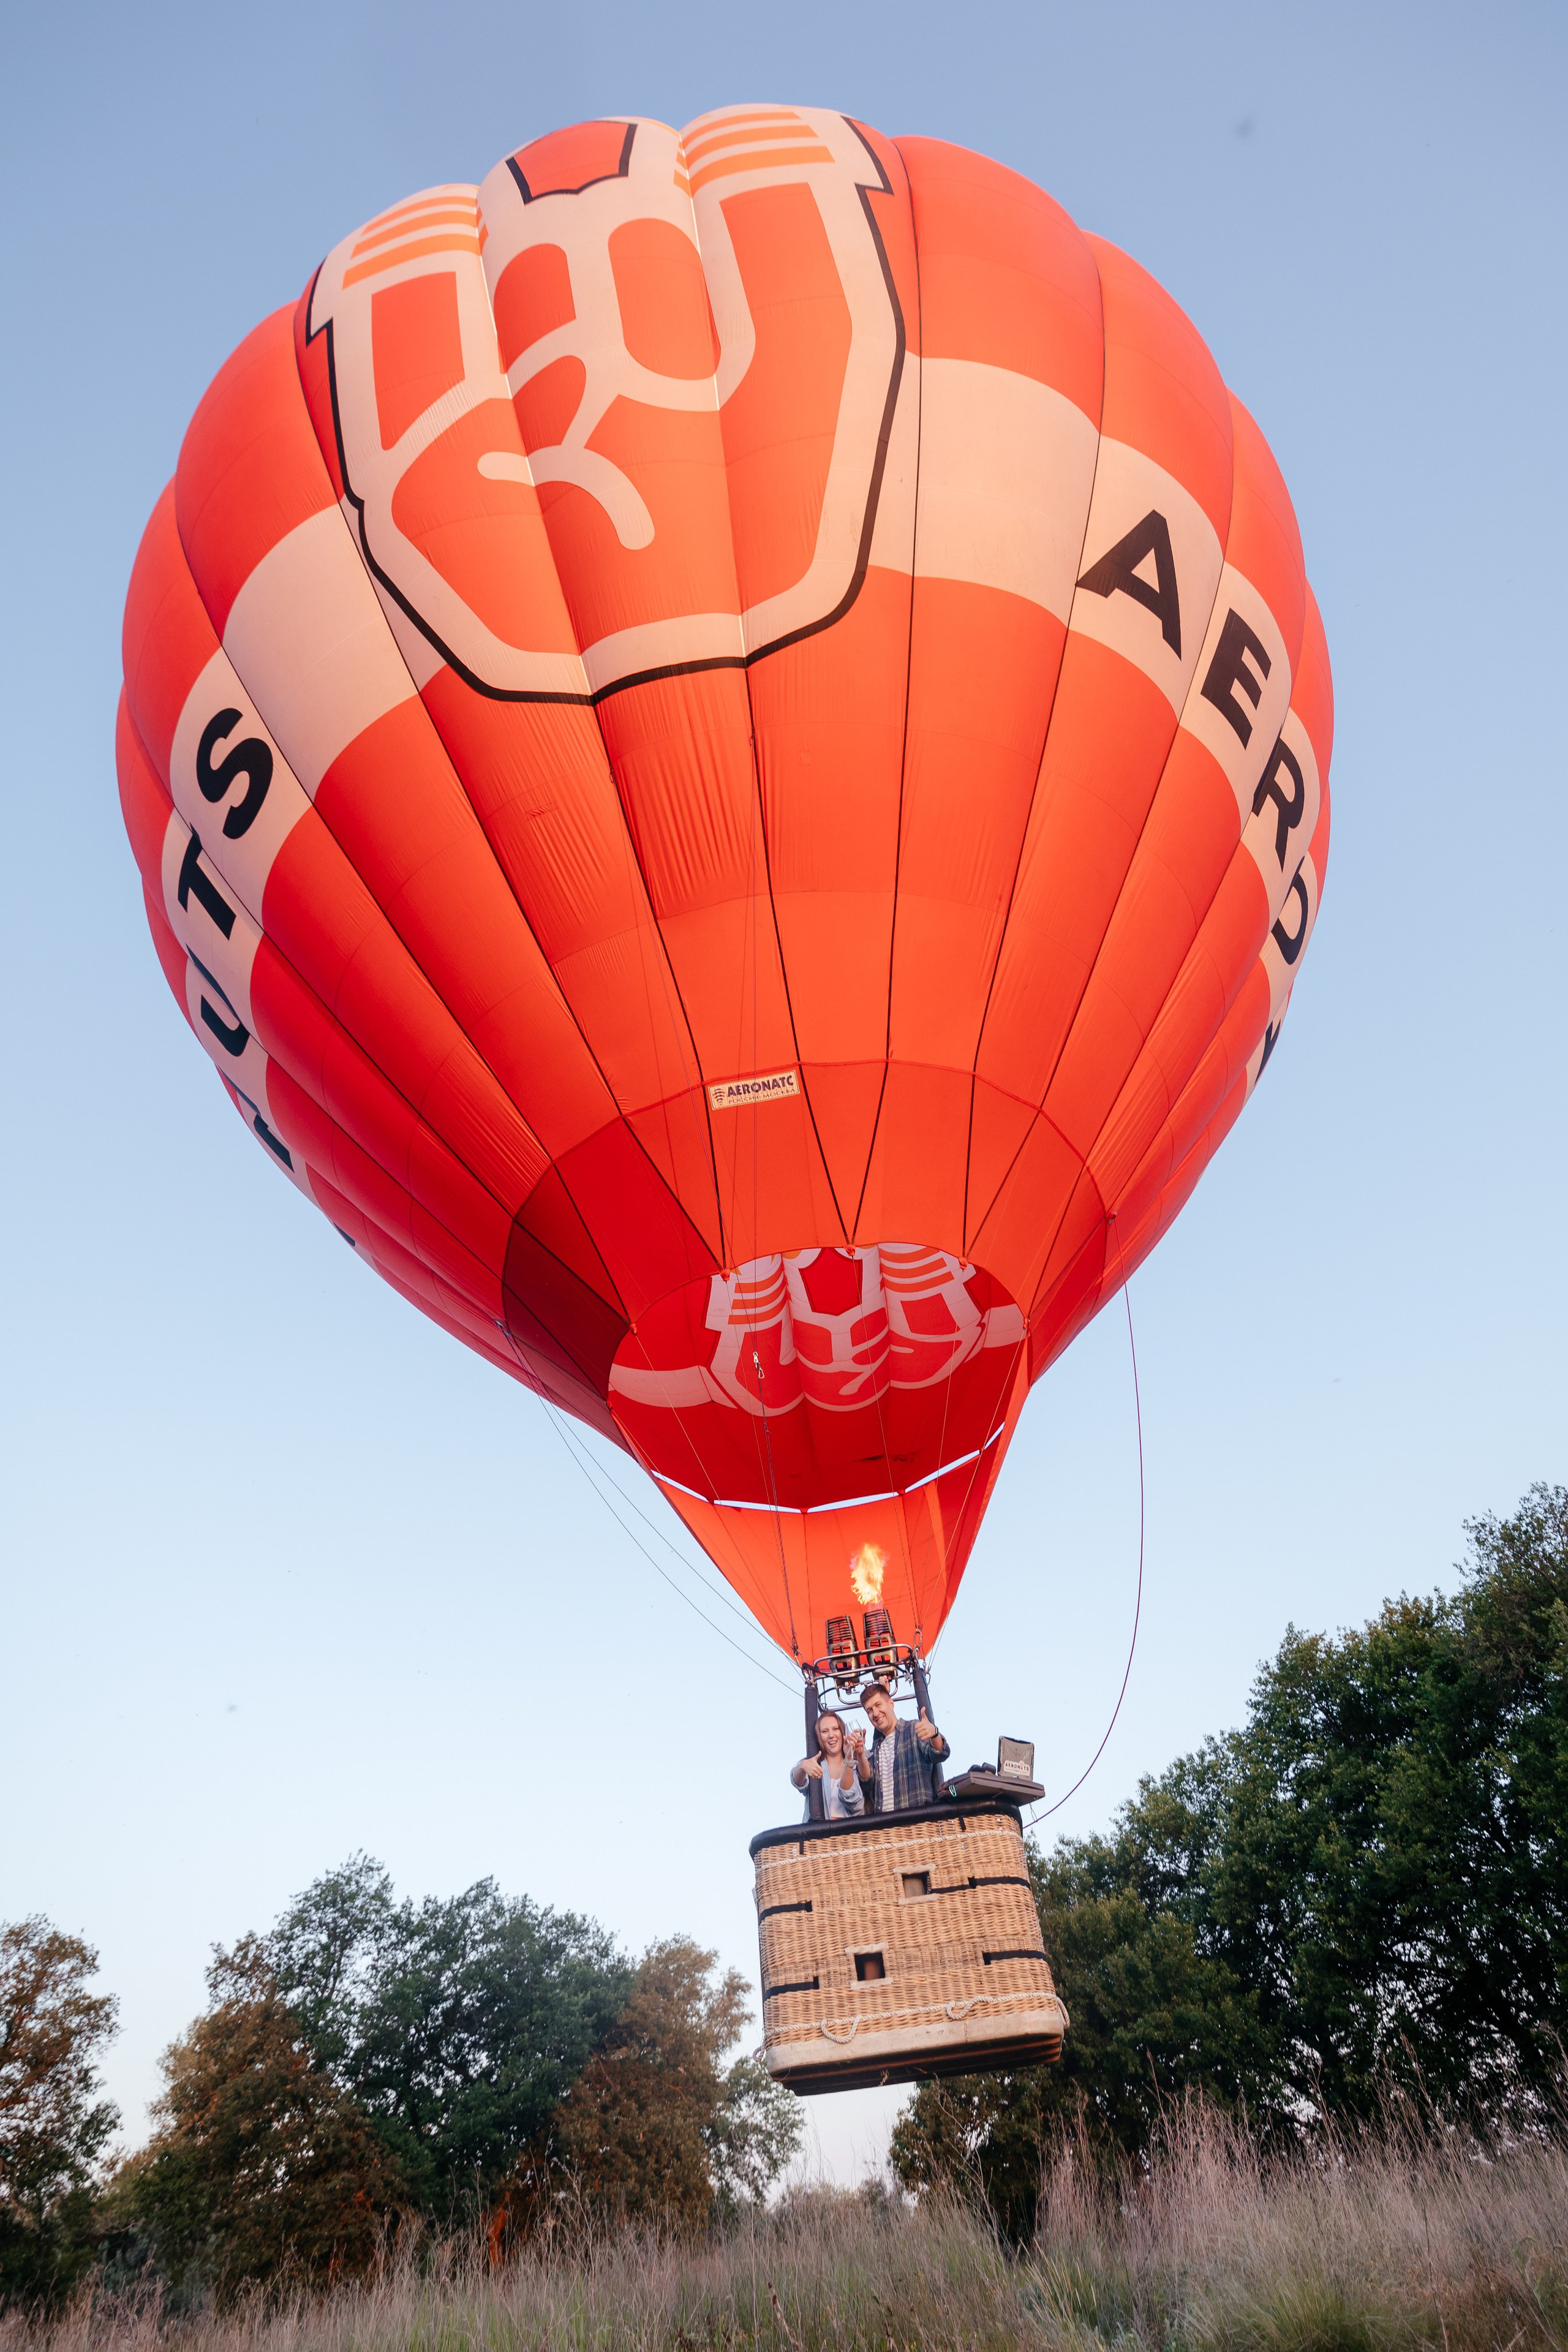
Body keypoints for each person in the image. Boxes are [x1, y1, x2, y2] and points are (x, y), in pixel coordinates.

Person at [856, 1678, 949, 1812]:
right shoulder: (877, 1747)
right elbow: (867, 1781)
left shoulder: (913, 1729)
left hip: (915, 1823)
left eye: (878, 1705)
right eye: (870, 1711)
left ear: (891, 1704)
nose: (875, 1714)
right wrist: (860, 1754)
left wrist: (934, 1733)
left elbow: (940, 1753)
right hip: (885, 1827)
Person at [790, 1708, 865, 1820]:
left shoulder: (856, 1765)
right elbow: (797, 1782)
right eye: (825, 1731)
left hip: (850, 1835)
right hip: (820, 1836)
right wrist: (802, 1766)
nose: (831, 1735)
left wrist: (849, 1758)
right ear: (819, 1737)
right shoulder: (815, 1765)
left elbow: (854, 1802)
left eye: (835, 1729)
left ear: (842, 1732)